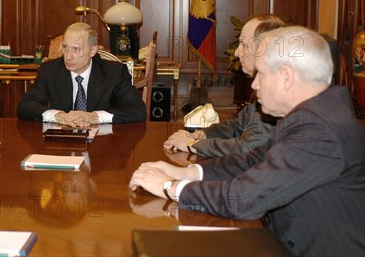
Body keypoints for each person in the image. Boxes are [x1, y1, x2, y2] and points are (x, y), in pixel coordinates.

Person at [129, 26, 365, 256]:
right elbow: (253, 160)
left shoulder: (319, 129)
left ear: (286, 77)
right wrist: (185, 173)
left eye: (260, 74)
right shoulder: (312, 116)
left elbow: (246, 198)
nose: (254, 84)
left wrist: (168, 187)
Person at [164, 14, 285, 157]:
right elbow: (238, 125)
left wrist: (192, 145)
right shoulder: (264, 84)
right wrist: (202, 135)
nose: (237, 52)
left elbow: (247, 148)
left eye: (244, 45)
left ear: (264, 49)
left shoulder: (276, 93)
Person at [17, 22, 146, 126]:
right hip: (61, 145)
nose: (68, 56)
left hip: (103, 145)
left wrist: (94, 116)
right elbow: (25, 106)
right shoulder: (50, 70)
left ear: (93, 50)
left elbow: (137, 110)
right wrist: (58, 115)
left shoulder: (114, 72)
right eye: (65, 47)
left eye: (76, 49)